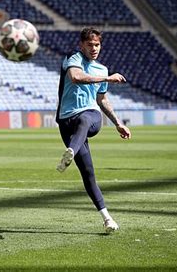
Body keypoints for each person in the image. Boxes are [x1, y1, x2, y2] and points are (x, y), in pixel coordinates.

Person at [55, 27, 131, 233]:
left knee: (86, 118)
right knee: (88, 174)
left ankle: (70, 150)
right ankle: (107, 219)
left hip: (91, 116)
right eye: (90, 45)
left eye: (97, 44)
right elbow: (75, 77)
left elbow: (101, 100)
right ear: (81, 45)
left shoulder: (102, 69)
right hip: (65, 121)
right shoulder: (73, 58)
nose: (94, 48)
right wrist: (107, 79)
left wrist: (117, 123)